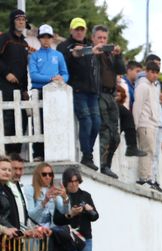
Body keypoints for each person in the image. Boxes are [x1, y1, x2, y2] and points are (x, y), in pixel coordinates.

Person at [58, 17, 102, 171]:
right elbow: (66, 59)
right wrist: (78, 53)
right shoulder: (64, 46)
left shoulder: (90, 46)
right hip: (77, 90)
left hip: (92, 91)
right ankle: (87, 155)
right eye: (76, 29)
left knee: (96, 123)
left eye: (81, 29)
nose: (79, 32)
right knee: (87, 121)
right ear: (71, 30)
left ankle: (87, 154)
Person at [28, 24, 69, 162]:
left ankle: (56, 151)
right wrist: (51, 78)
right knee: (38, 122)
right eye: (43, 37)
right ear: (39, 38)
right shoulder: (34, 56)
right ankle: (38, 153)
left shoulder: (58, 55)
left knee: (56, 121)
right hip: (39, 91)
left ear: (52, 39)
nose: (46, 40)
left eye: (48, 37)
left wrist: (60, 80)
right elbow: (33, 76)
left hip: (56, 92)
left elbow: (65, 74)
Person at [93, 25, 126, 179]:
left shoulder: (110, 55)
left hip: (111, 95)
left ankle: (108, 165)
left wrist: (118, 55)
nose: (102, 41)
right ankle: (102, 164)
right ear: (94, 38)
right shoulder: (92, 53)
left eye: (104, 38)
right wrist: (96, 52)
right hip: (99, 94)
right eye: (99, 38)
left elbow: (121, 70)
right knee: (105, 131)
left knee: (116, 135)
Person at [0, 9, 30, 155]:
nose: (21, 22)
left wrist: (25, 89)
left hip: (20, 89)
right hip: (4, 87)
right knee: (8, 119)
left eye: (23, 19)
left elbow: (24, 69)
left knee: (22, 120)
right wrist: (6, 73)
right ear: (12, 21)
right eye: (18, 19)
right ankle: (5, 155)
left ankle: (15, 155)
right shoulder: (5, 38)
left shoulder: (24, 43)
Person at [132, 61, 162, 192]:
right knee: (146, 150)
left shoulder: (154, 87)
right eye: (152, 72)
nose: (154, 75)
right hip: (144, 123)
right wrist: (135, 124)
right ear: (147, 72)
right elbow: (137, 106)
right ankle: (143, 178)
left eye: (157, 73)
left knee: (152, 152)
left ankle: (149, 177)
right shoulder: (142, 86)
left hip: (153, 124)